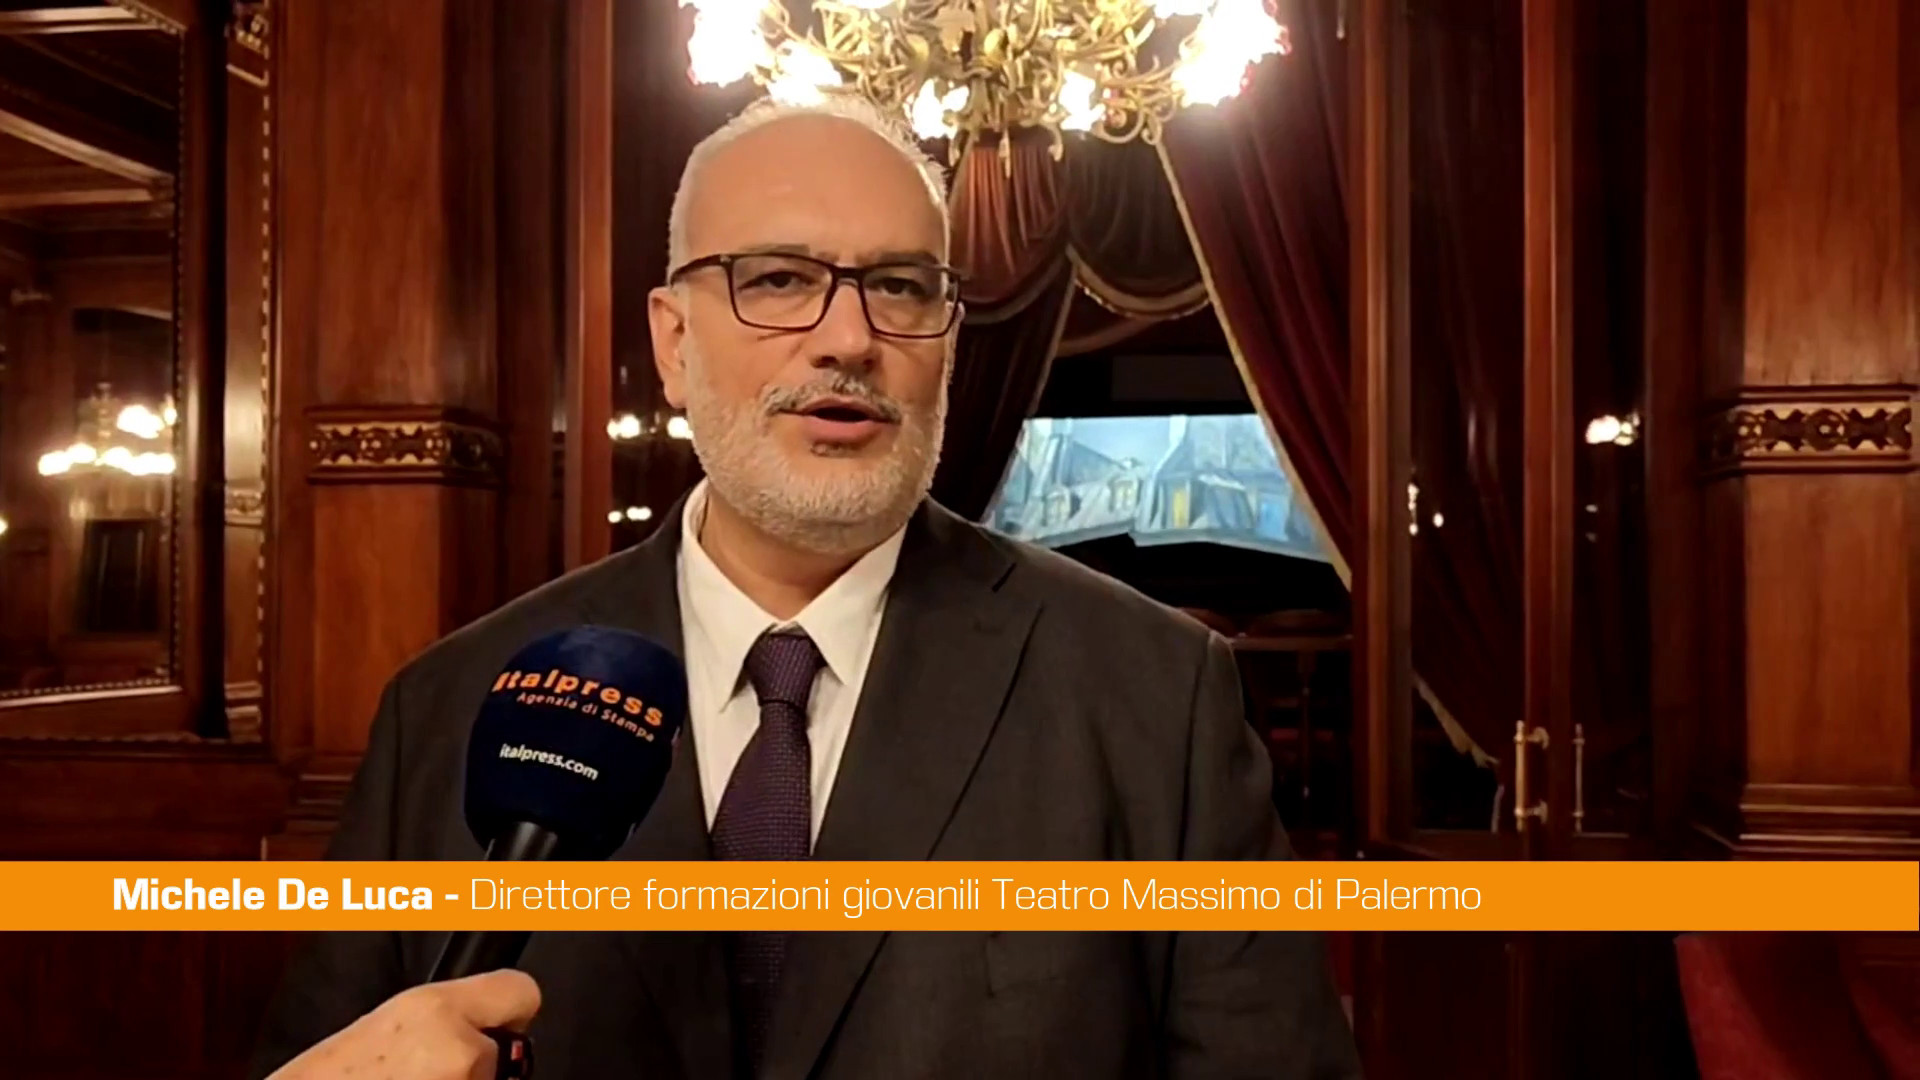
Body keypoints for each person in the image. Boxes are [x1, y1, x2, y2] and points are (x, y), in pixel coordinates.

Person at [252, 95, 1360, 1080]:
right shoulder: (448, 710)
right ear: (673, 343)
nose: (849, 339)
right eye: (778, 279)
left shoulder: (1154, 694)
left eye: (901, 287)